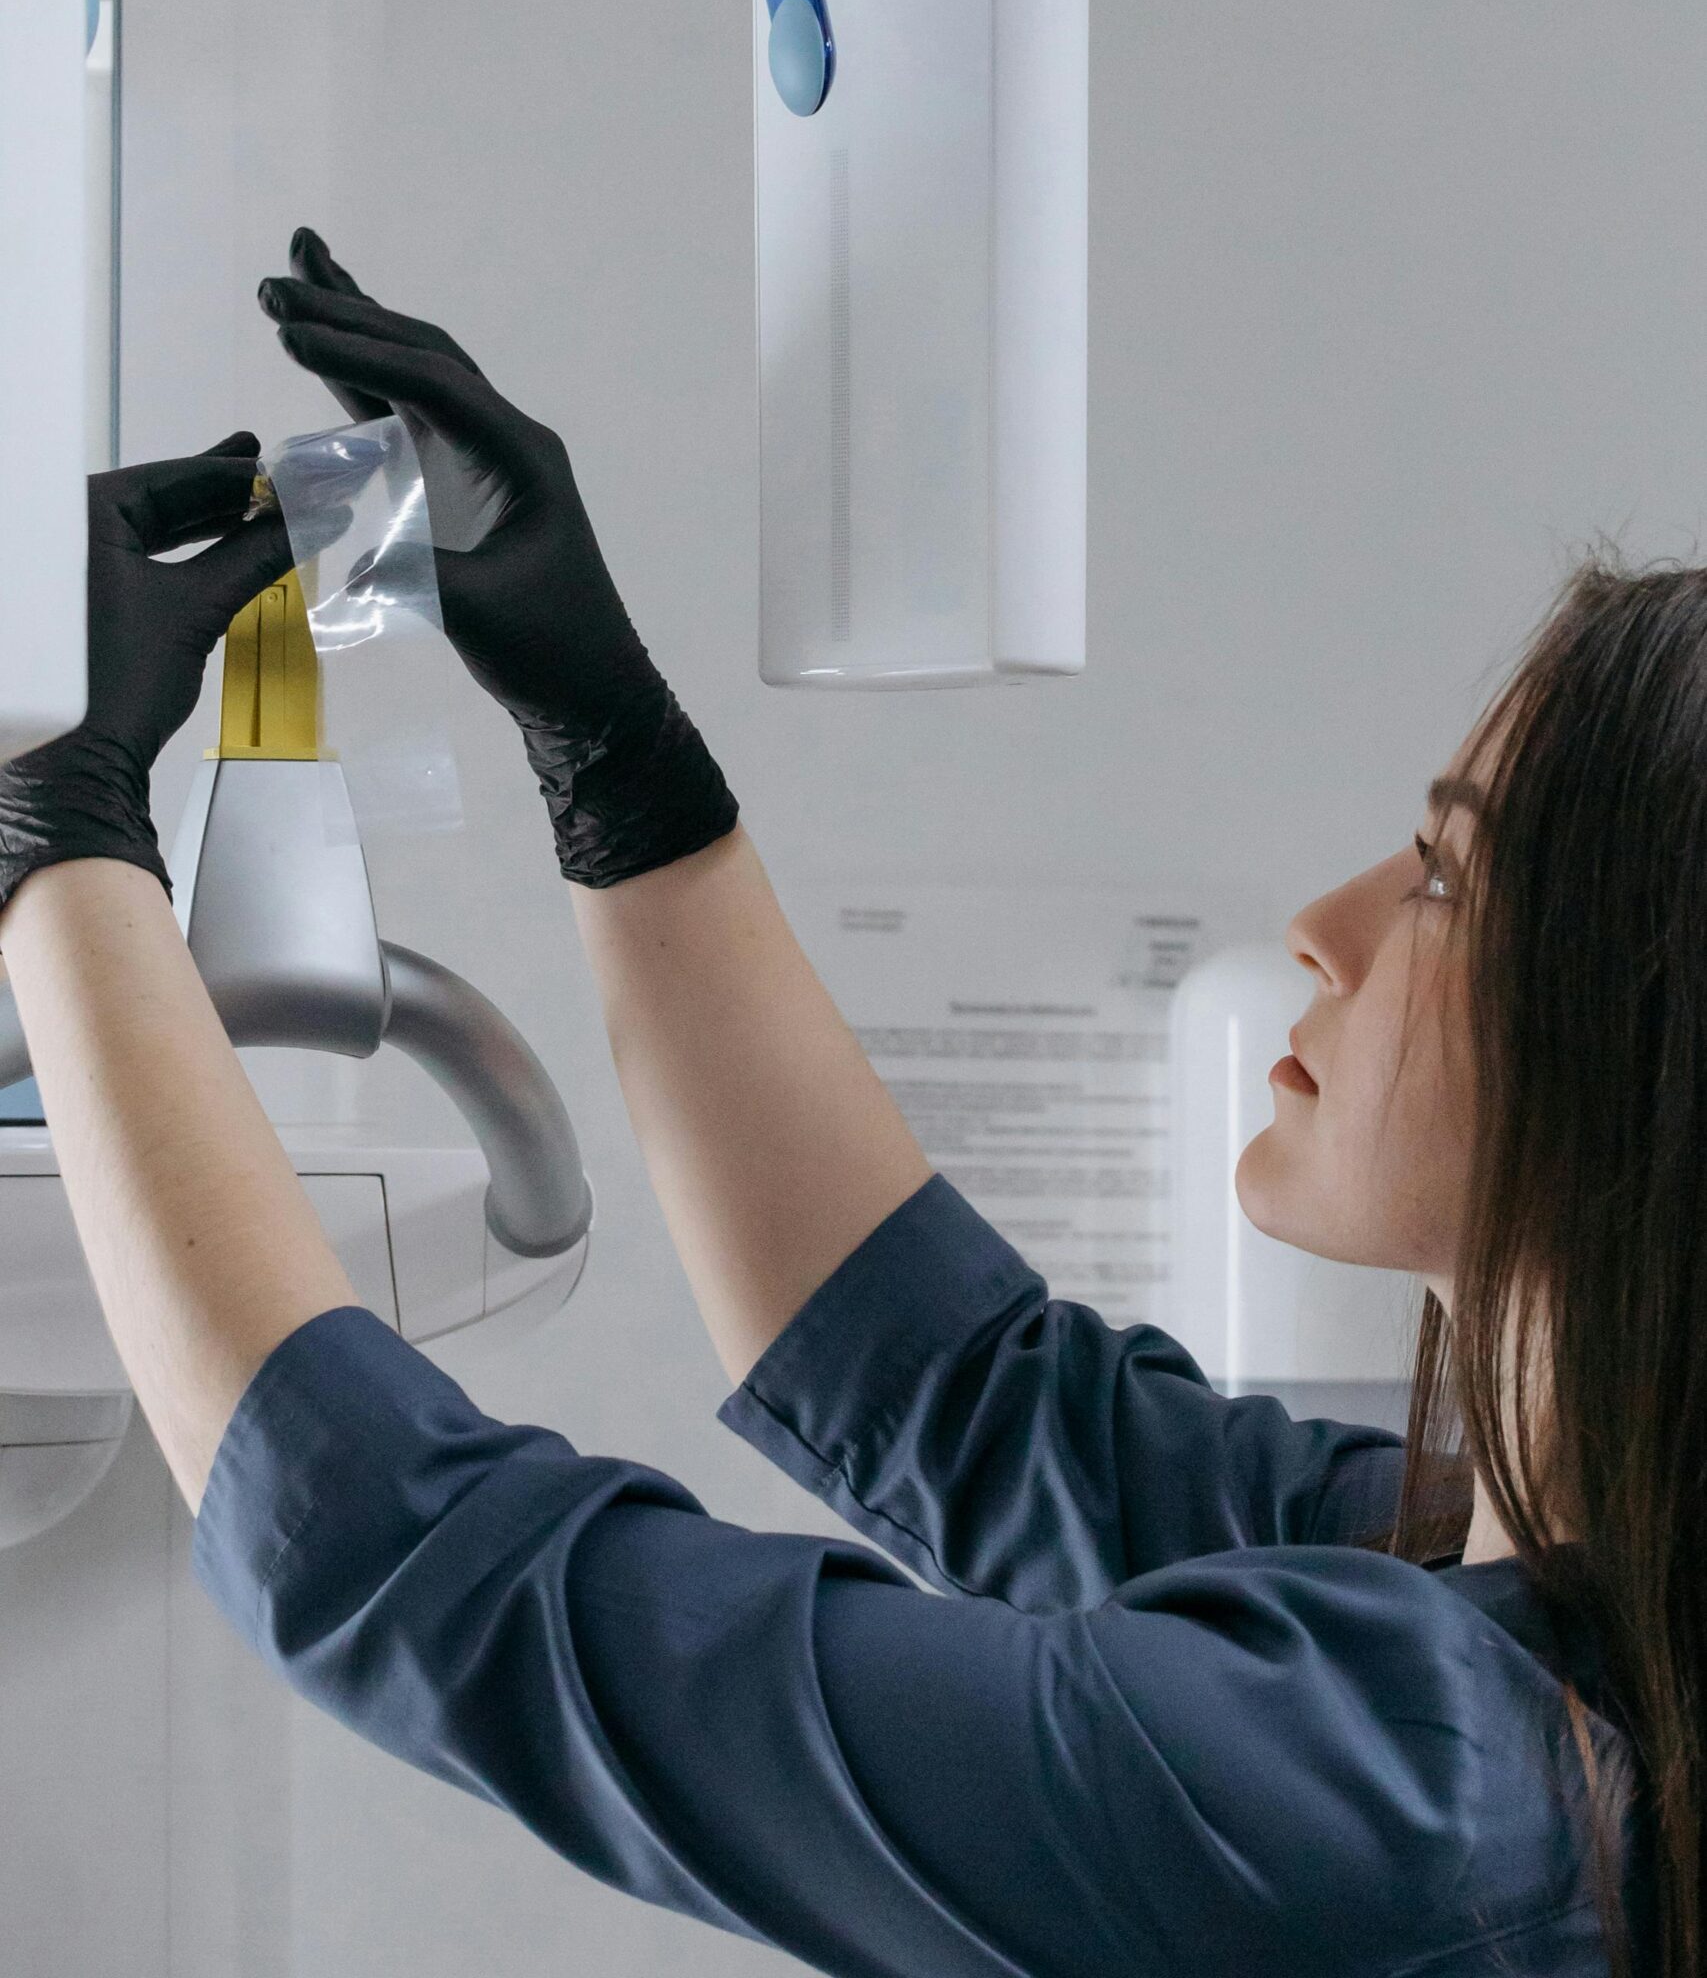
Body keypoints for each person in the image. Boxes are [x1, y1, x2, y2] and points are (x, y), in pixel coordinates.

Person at [0, 224, 1678, 1976]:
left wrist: (62, 824)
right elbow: (947, 1384)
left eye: (1439, 880)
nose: (1324, 928)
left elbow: (412, 1565)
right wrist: (605, 737)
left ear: (1641, 1056)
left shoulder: (1410, 1804)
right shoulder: (1498, 1575)